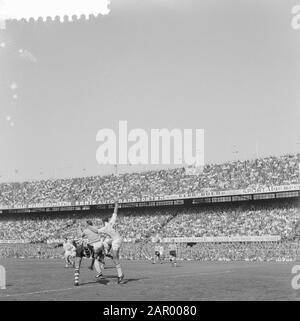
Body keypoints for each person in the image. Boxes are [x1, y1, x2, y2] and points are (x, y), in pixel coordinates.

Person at [87, 201, 124, 284]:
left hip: (116, 241)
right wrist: (116, 205)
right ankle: (104, 253)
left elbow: (96, 231)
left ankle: (120, 275)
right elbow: (115, 212)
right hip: (115, 239)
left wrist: (88, 226)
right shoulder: (112, 221)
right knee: (105, 242)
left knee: (115, 258)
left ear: (102, 221)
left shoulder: (104, 228)